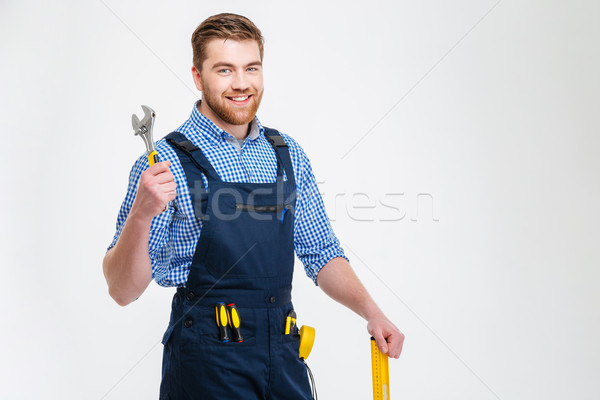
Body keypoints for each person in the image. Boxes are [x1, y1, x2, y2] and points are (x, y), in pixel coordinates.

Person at [103, 12, 404, 399]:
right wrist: (142, 214)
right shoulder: (163, 164)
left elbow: (321, 252)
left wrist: (372, 312)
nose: (241, 83)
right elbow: (122, 290)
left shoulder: (286, 153)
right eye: (224, 70)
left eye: (251, 68)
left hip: (282, 352)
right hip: (206, 363)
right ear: (198, 76)